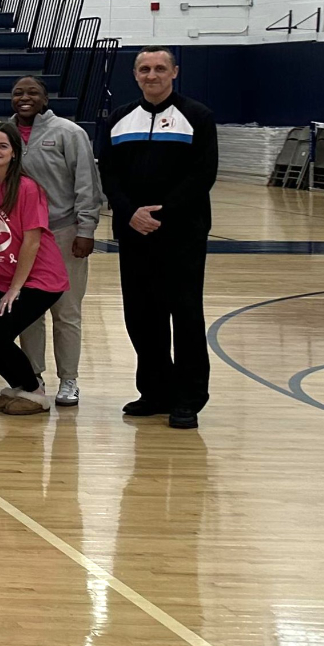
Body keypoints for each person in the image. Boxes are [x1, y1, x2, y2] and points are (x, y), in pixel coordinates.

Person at [100, 47, 218, 430]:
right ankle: (154, 391)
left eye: (159, 68)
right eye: (145, 69)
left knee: (184, 315)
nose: (152, 75)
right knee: (141, 315)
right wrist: (128, 211)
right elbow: (111, 175)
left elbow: (203, 175)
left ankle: (188, 398)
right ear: (135, 75)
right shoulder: (119, 119)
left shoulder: (197, 117)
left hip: (181, 235)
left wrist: (160, 214)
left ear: (174, 72)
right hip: (134, 234)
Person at [9, 75, 103, 408]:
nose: (25, 97)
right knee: (28, 313)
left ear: (45, 99)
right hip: (22, 236)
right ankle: (32, 377)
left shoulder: (68, 132)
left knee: (66, 310)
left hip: (63, 232)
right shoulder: (4, 135)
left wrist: (86, 229)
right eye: (18, 92)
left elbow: (87, 185)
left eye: (32, 92)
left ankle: (70, 380)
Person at [0, 123, 71, 416]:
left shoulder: (28, 187)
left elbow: (32, 240)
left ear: (15, 153)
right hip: (2, 278)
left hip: (40, 279)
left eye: (3, 146)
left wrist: (16, 287)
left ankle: (34, 391)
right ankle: (19, 386)